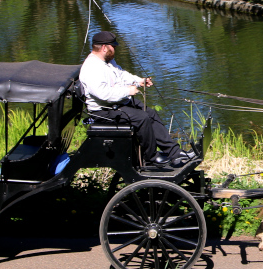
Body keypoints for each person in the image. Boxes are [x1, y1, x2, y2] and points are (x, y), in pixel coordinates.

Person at [79, 30, 191, 167]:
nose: (115, 49)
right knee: (142, 118)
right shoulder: (92, 67)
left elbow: (122, 75)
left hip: (117, 105)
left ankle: (174, 152)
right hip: (103, 111)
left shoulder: (108, 62)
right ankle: (150, 157)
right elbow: (102, 94)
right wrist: (127, 91)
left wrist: (139, 81)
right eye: (113, 46)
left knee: (150, 113)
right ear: (104, 47)